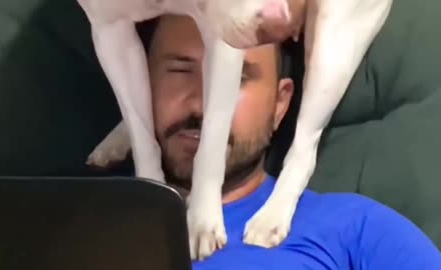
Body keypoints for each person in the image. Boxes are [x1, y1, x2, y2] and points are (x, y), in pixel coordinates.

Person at [145, 14, 441, 269]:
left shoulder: (353, 227)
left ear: (280, 104)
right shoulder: (101, 219)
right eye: (179, 72)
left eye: (236, 78)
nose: (202, 104)